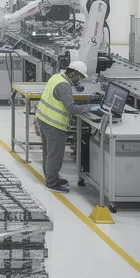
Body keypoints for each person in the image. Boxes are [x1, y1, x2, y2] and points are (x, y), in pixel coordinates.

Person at [35, 60, 101, 194]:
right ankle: (52, 183)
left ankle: (51, 177)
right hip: (54, 124)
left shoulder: (56, 77)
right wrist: (91, 107)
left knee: (48, 153)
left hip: (43, 119)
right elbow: (72, 108)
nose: (79, 80)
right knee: (55, 156)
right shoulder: (64, 85)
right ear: (74, 73)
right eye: (80, 77)